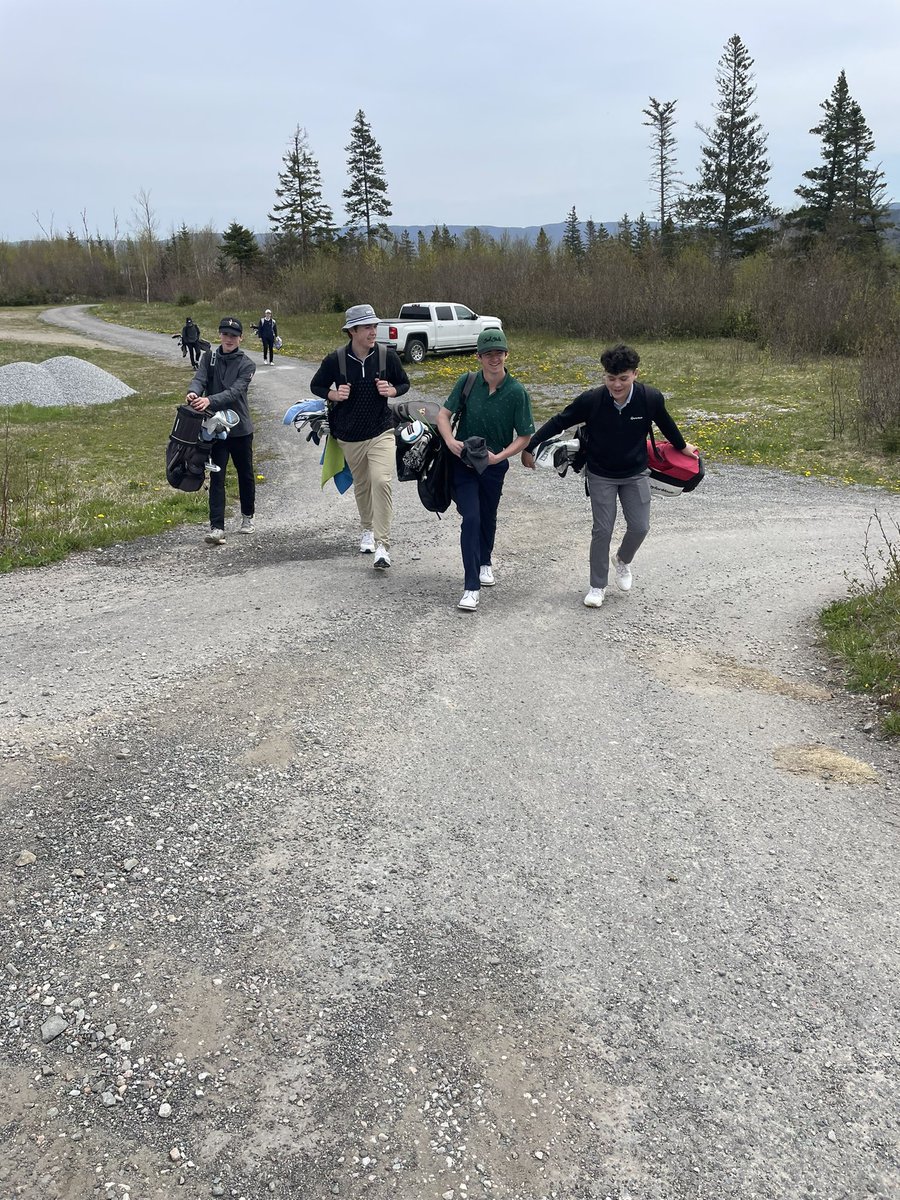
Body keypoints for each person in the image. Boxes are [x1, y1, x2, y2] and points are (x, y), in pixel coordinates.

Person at [522, 343, 698, 608]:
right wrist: (530, 446)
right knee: (602, 530)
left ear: (635, 374)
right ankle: (597, 586)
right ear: (604, 375)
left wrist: (683, 447)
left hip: (636, 473)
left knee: (640, 527)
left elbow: (666, 423)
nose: (617, 385)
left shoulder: (650, 398)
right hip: (601, 474)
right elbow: (560, 420)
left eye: (623, 378)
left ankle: (623, 560)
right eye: (611, 378)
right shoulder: (592, 400)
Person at [436, 328, 535, 611]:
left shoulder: (517, 392)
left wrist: (499, 457)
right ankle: (471, 587)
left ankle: (485, 561)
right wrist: (450, 441)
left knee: (488, 516)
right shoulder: (467, 382)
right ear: (478, 357)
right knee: (471, 517)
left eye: (499, 353)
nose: (494, 359)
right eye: (488, 354)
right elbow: (443, 415)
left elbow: (525, 436)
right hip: (464, 462)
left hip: (494, 465)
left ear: (506, 355)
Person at [310, 304, 410, 570]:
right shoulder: (336, 359)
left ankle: (382, 545)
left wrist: (391, 390)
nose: (373, 331)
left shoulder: (387, 356)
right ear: (352, 331)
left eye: (374, 326)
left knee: (381, 481)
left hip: (381, 430)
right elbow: (316, 385)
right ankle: (367, 529)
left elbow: (404, 383)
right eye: (367, 327)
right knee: (363, 484)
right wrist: (333, 394)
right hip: (349, 436)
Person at [186, 316, 257, 545]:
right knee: (217, 475)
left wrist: (209, 400)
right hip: (215, 429)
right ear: (220, 335)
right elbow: (199, 379)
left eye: (234, 335)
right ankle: (217, 528)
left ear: (241, 338)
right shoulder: (209, 357)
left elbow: (235, 392)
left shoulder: (247, 364)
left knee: (245, 474)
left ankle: (247, 517)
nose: (229, 339)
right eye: (226, 334)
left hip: (240, 429)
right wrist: (193, 392)